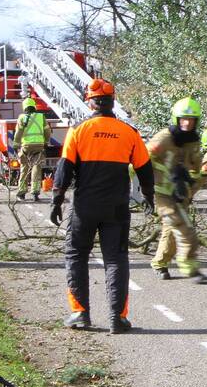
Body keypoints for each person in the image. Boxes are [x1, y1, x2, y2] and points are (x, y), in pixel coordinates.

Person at [50, 79, 156, 334]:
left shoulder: (79, 131)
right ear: (112, 101)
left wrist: (56, 199)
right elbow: (145, 168)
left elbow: (64, 169)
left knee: (76, 254)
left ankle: (80, 313)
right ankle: (117, 318)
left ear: (90, 101)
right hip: (116, 208)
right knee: (116, 259)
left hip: (84, 206)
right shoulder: (128, 132)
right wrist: (149, 197)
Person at [148, 98, 204, 281]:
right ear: (176, 119)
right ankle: (190, 269)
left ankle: (159, 264)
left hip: (180, 196)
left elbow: (197, 170)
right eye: (183, 119)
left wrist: (190, 185)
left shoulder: (193, 143)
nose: (187, 123)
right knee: (184, 228)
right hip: (162, 194)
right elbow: (141, 160)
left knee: (171, 230)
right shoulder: (163, 139)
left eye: (191, 120)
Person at [13, 97, 51, 201]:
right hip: (39, 146)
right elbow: (47, 131)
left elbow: (18, 133)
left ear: (24, 107)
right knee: (36, 168)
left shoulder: (22, 117)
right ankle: (35, 193)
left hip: (26, 146)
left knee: (24, 168)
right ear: (34, 106)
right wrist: (46, 142)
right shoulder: (41, 116)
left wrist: (16, 145)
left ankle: (21, 193)